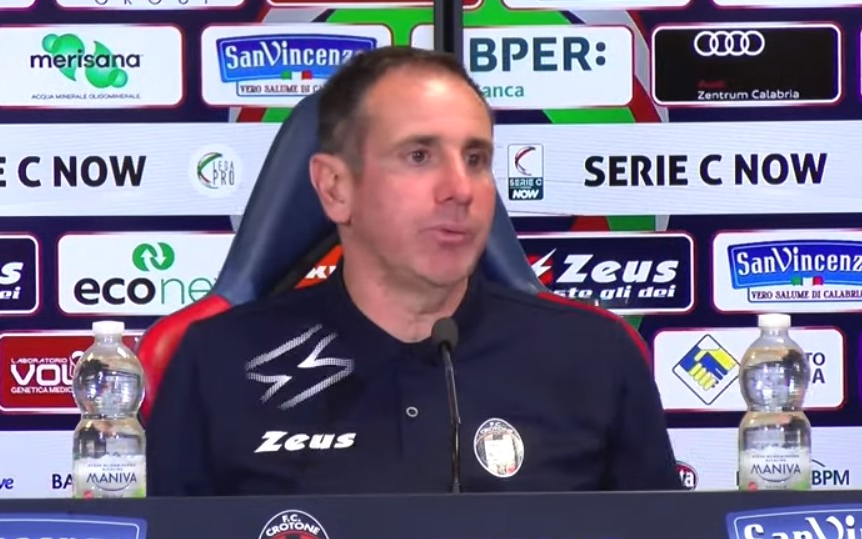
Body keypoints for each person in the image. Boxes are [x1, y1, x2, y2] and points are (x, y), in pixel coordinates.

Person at [145, 46, 682, 496]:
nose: (460, 189)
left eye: (475, 159)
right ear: (335, 188)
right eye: (419, 156)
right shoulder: (216, 362)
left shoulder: (595, 356)